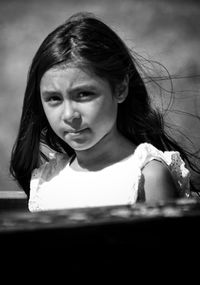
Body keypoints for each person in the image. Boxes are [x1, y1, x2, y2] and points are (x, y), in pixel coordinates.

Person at [9, 12, 199, 212]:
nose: (69, 116)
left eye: (84, 94)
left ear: (120, 89)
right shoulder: (46, 180)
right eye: (54, 98)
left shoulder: (147, 175)